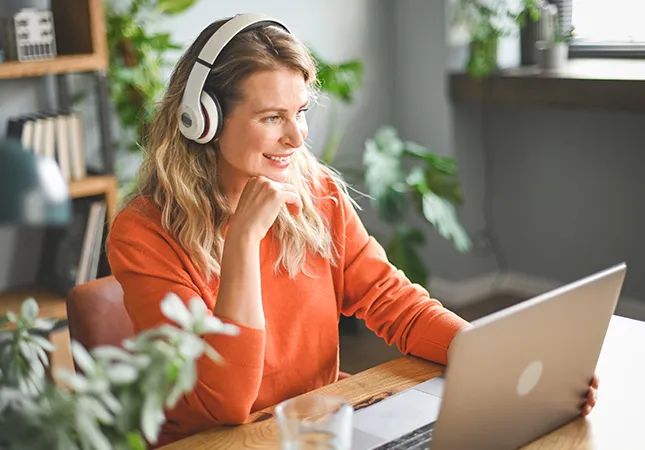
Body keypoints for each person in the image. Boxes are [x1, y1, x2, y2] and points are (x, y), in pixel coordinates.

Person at [107, 13, 598, 447]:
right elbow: (229, 404)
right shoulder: (144, 234)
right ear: (202, 122)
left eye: (299, 112)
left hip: (318, 427)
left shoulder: (316, 191)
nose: (297, 137)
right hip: (217, 441)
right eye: (272, 117)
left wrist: (495, 359)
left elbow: (393, 301)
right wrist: (241, 241)